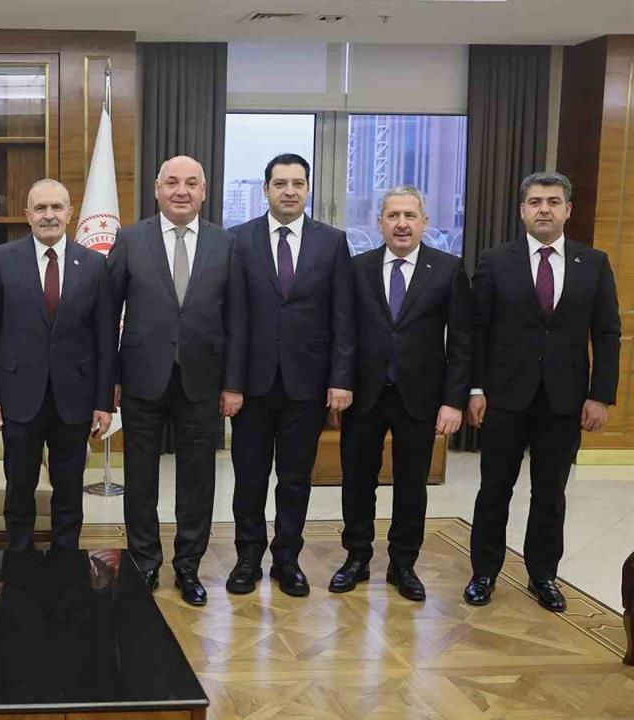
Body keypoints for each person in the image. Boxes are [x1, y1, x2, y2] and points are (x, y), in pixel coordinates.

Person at [464, 172, 620, 612]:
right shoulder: (496, 261)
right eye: (535, 202)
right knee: (494, 489)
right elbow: (478, 332)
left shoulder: (594, 263)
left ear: (568, 209)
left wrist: (600, 395)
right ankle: (484, 572)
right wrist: (475, 388)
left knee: (550, 493)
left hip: (565, 400)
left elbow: (607, 333)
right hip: (504, 397)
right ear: (522, 211)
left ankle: (543, 575)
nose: (544, 209)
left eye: (553, 201)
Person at [106, 155, 247, 605]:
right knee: (140, 478)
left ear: (204, 191)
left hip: (203, 381)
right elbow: (107, 316)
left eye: (190, 183)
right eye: (172, 182)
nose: (181, 191)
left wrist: (233, 383)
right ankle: (145, 563)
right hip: (141, 379)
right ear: (157, 189)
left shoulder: (226, 243)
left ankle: (188, 566)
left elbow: (237, 320)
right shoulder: (130, 240)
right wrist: (111, 379)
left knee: (197, 480)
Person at [333, 186, 472, 601]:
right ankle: (356, 557)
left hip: (420, 397)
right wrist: (340, 382)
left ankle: (403, 564)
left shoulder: (447, 269)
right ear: (380, 223)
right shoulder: (358, 268)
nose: (401, 224)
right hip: (364, 395)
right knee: (357, 481)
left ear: (424, 223)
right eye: (393, 215)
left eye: (410, 216)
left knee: (412, 484)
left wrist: (453, 401)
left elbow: (461, 340)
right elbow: (343, 331)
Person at [228, 153, 355, 598]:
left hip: (308, 384)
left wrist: (341, 379)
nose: (289, 191)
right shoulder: (238, 240)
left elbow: (343, 316)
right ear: (265, 190)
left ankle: (287, 560)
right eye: (280, 183)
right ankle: (247, 558)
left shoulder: (332, 242)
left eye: (297, 183)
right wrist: (231, 383)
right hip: (252, 386)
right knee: (249, 477)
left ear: (308, 189)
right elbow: (232, 318)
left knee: (295, 478)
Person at [0, 179, 116, 550]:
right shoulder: (2, 259)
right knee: (19, 488)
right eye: (40, 208)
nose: (49, 215)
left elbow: (105, 339)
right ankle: (19, 561)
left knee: (69, 491)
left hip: (75, 396)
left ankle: (65, 562)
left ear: (70, 213)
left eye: (57, 207)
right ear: (28, 215)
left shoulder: (94, 264)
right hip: (18, 394)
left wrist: (104, 402)